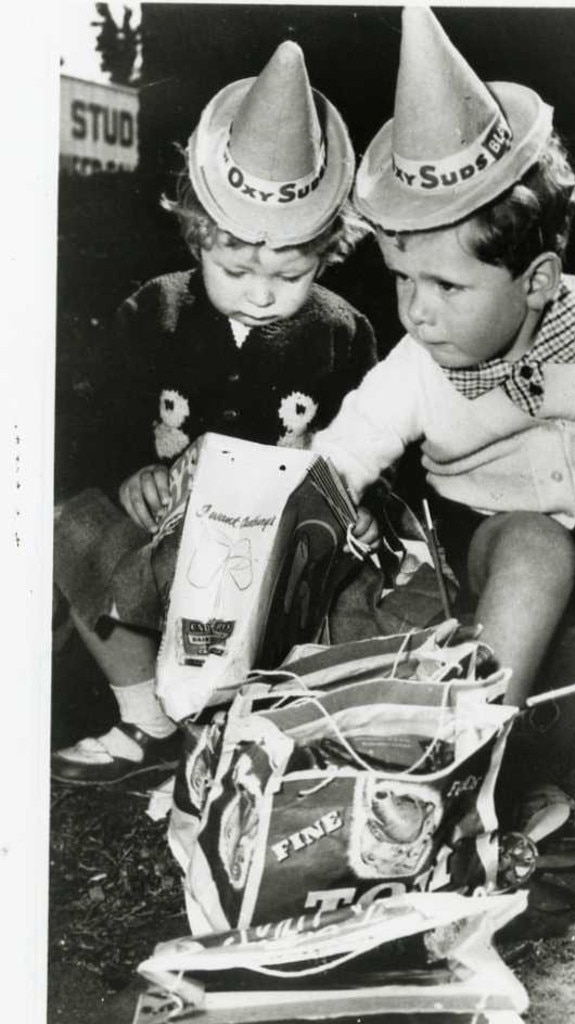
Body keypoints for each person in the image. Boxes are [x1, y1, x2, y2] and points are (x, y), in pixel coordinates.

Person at [312, 8, 575, 861]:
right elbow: (341, 454)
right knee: (538, 548)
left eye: (445, 285)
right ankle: (474, 766)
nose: (416, 310)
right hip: (499, 536)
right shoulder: (414, 367)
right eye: (400, 279)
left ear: (536, 278)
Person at [52, 40, 378, 785]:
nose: (262, 294)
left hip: (268, 560)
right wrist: (128, 470)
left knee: (354, 581)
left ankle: (293, 729)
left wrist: (360, 502)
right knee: (72, 523)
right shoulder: (154, 311)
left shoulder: (343, 334)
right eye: (235, 270)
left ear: (327, 253)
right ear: (198, 234)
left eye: (290, 275)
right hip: (162, 546)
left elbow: (370, 443)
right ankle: (148, 720)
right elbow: (93, 425)